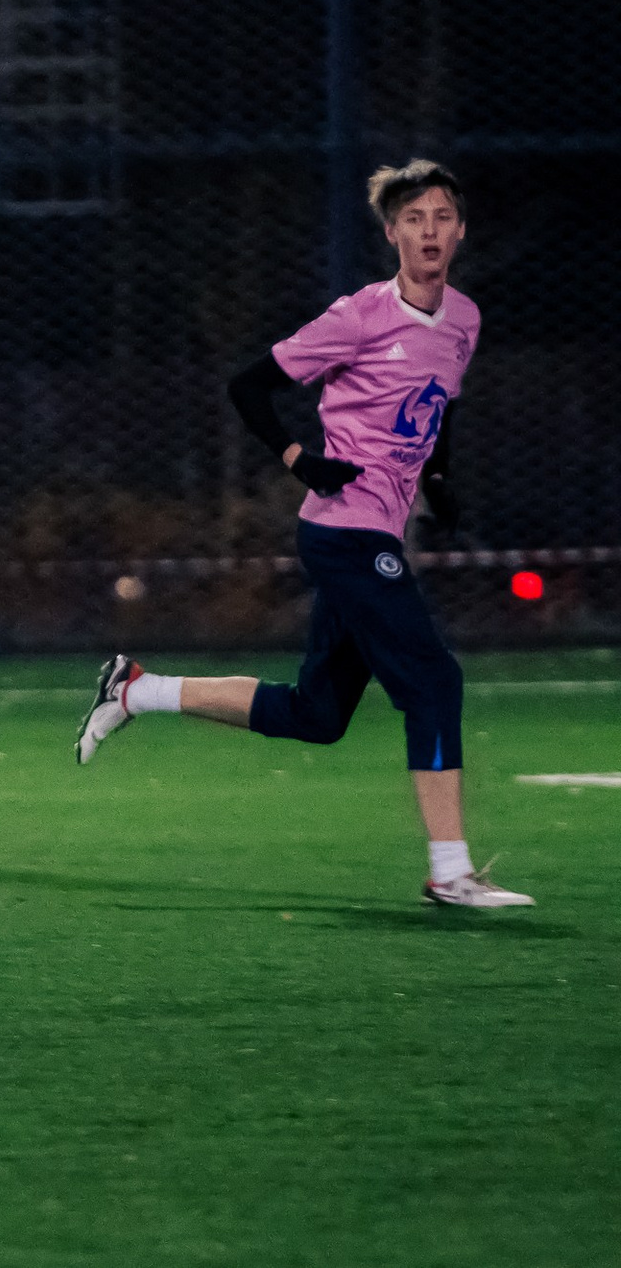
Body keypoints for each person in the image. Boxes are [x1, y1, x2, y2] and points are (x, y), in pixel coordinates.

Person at [74, 160, 532, 909]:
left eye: (442, 217)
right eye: (413, 219)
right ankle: (450, 871)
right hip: (344, 532)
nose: (429, 231)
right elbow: (248, 386)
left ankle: (137, 690)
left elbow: (439, 405)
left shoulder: (464, 321)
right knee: (435, 680)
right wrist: (299, 459)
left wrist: (440, 479)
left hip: (377, 534)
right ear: (391, 234)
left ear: (460, 231)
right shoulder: (359, 316)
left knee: (317, 716)